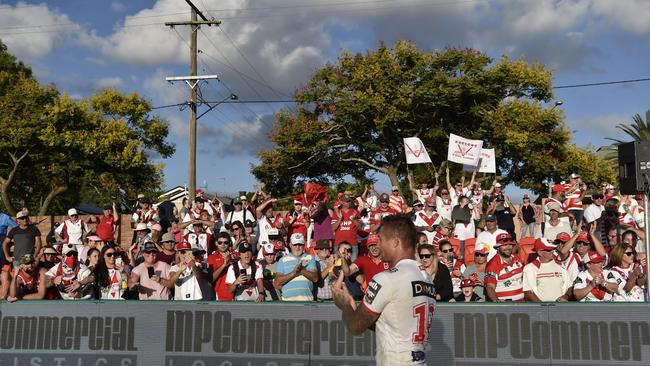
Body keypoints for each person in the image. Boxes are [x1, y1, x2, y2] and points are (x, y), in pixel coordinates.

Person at [332, 214, 435, 366]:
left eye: (381, 239)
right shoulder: (426, 277)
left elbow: (354, 326)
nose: (378, 245)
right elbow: (395, 324)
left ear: (395, 242)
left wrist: (346, 304)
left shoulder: (387, 278)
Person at [274, 233, 318, 301]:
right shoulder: (282, 260)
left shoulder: (310, 258)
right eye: (295, 244)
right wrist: (293, 273)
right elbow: (276, 283)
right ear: (290, 245)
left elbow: (315, 278)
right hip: (288, 302)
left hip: (306, 301)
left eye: (300, 244)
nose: (297, 247)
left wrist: (302, 271)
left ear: (304, 245)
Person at [485, 232, 524, 302]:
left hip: (522, 303)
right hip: (506, 306)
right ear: (497, 247)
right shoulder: (492, 264)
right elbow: (490, 287)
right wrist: (495, 300)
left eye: (510, 245)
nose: (508, 247)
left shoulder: (517, 258)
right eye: (504, 245)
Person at [207, 232, 235, 301]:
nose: (223, 245)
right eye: (220, 242)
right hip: (221, 294)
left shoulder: (236, 255)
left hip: (237, 293)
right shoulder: (212, 257)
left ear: (229, 243)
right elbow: (211, 278)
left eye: (225, 242)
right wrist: (224, 265)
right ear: (216, 243)